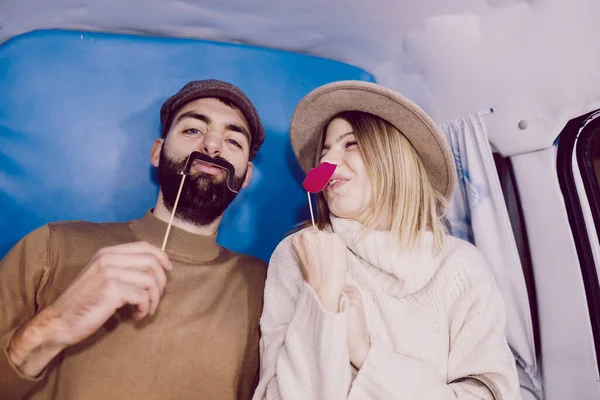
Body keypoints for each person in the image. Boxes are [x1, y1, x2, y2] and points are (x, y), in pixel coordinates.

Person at [0, 79, 268, 400]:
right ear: (157, 152)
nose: (212, 145)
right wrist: (52, 326)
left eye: (233, 141)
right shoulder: (50, 247)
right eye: (193, 130)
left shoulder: (269, 286)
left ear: (247, 175)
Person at [253, 80, 521, 399]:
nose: (325, 163)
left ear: (394, 158)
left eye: (349, 144)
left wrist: (365, 353)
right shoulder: (297, 254)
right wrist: (321, 300)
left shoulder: (461, 264)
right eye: (323, 152)